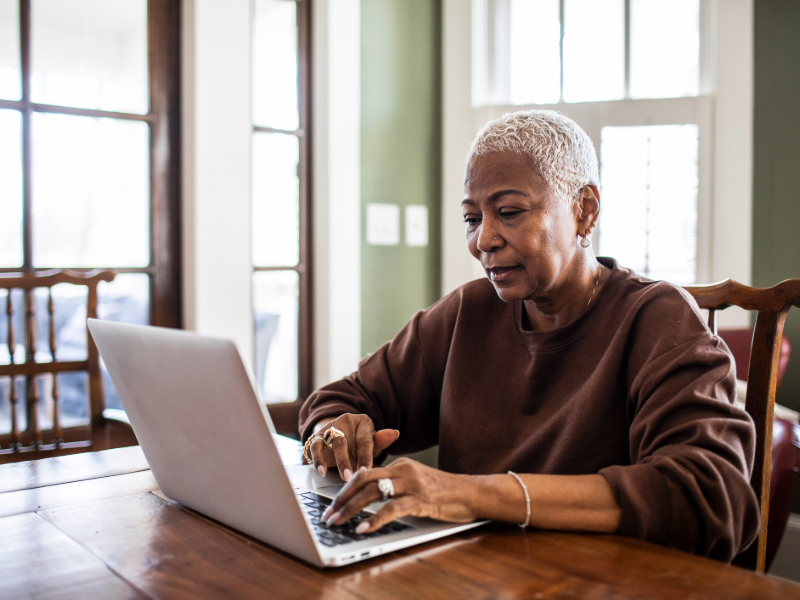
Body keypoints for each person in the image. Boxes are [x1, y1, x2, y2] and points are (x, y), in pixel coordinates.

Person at [299, 110, 759, 561]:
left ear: (584, 211)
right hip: (476, 575)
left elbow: (710, 497)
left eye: (509, 212)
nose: (484, 240)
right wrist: (334, 429)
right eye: (472, 218)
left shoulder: (657, 318)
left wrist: (476, 493)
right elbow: (345, 398)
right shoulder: (468, 312)